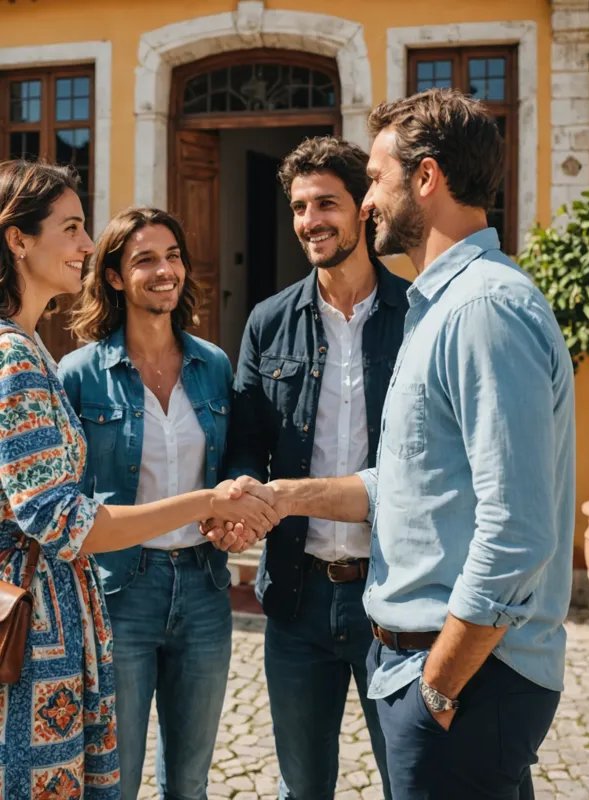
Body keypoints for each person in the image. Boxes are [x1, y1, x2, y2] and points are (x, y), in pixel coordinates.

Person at [223, 88, 576, 800]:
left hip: (463, 678)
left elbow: (517, 530)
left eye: (376, 180)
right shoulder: (440, 307)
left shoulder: (481, 310)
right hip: (419, 661)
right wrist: (282, 497)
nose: (369, 202)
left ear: (427, 178)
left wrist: (439, 686)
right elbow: (407, 484)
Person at [0, 161, 278, 800]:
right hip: (33, 619)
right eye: (71, 228)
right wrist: (206, 500)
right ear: (18, 239)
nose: (86, 245)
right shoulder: (13, 354)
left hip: (36, 600)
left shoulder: (2, 342)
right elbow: (64, 522)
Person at [207, 136, 409, 799]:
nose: (309, 221)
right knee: (302, 788)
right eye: (298, 207)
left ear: (363, 209)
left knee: (410, 782)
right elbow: (247, 440)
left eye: (326, 203)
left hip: (395, 596)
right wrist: (242, 491)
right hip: (297, 597)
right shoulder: (268, 322)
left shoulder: (419, 316)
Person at [58, 208, 237, 800]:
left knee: (190, 781)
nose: (165, 271)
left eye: (173, 256)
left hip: (205, 587)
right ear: (114, 277)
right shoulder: (79, 374)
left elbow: (233, 460)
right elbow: (64, 495)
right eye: (146, 260)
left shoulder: (213, 365)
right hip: (119, 590)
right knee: (116, 778)